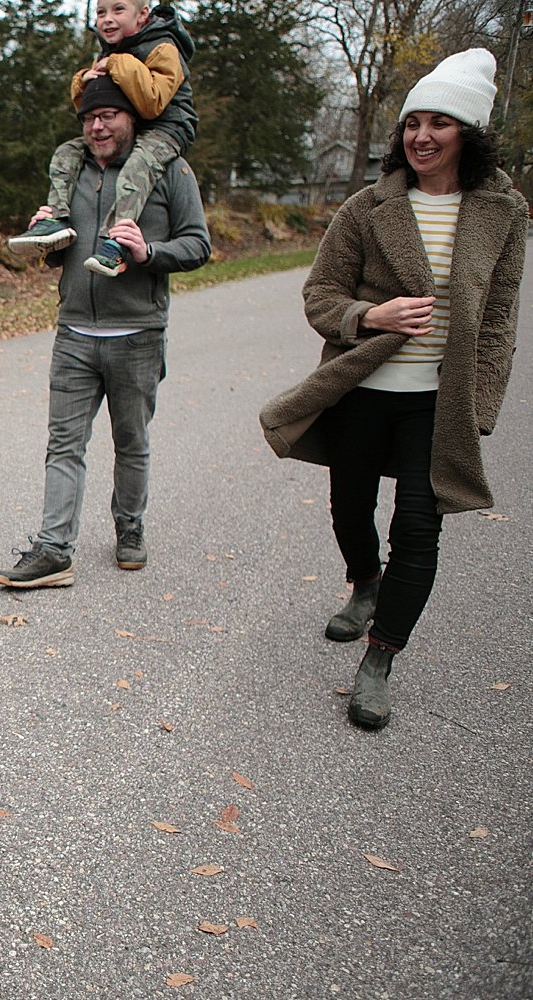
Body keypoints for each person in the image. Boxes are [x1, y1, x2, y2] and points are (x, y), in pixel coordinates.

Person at [260, 49, 526, 730]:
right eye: (414, 122)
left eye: (441, 123)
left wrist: (481, 406)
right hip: (362, 388)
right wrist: (369, 317)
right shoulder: (369, 206)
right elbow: (320, 294)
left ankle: (378, 661)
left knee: (418, 525)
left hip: (439, 403)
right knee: (350, 506)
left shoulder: (502, 211)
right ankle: (365, 583)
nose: (423, 136)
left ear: (469, 134)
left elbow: (498, 318)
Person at [0, 75, 210, 590]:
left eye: (108, 114)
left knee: (130, 441)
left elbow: (198, 245)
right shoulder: (72, 174)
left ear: (132, 116)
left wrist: (147, 252)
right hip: (73, 333)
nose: (97, 125)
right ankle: (53, 549)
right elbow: (64, 259)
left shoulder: (169, 169)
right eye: (90, 118)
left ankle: (129, 527)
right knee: (62, 445)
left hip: (137, 333)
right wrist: (49, 238)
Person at [8, 0, 197, 278]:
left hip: (168, 126)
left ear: (142, 15)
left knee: (137, 168)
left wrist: (117, 64)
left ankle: (116, 242)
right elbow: (92, 105)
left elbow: (152, 103)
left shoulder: (164, 47)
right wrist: (85, 79)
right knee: (67, 152)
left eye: (118, 10)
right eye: (101, 12)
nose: (107, 19)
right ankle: (56, 221)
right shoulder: (110, 52)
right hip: (128, 129)